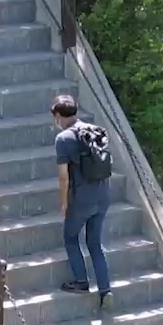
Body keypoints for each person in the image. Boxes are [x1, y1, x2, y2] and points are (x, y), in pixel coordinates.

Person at [52, 95, 114, 305]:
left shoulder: (63, 139)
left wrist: (64, 202)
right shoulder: (94, 130)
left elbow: (63, 176)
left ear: (59, 116)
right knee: (95, 243)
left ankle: (81, 281)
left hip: (81, 200)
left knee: (71, 238)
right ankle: (105, 290)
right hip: (103, 195)